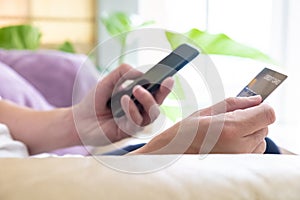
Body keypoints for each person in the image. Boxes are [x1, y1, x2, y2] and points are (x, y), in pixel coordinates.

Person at [0, 64, 277, 157]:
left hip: (52, 173)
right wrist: (164, 153)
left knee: (261, 146)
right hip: (40, 186)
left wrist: (79, 123)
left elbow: (12, 122)